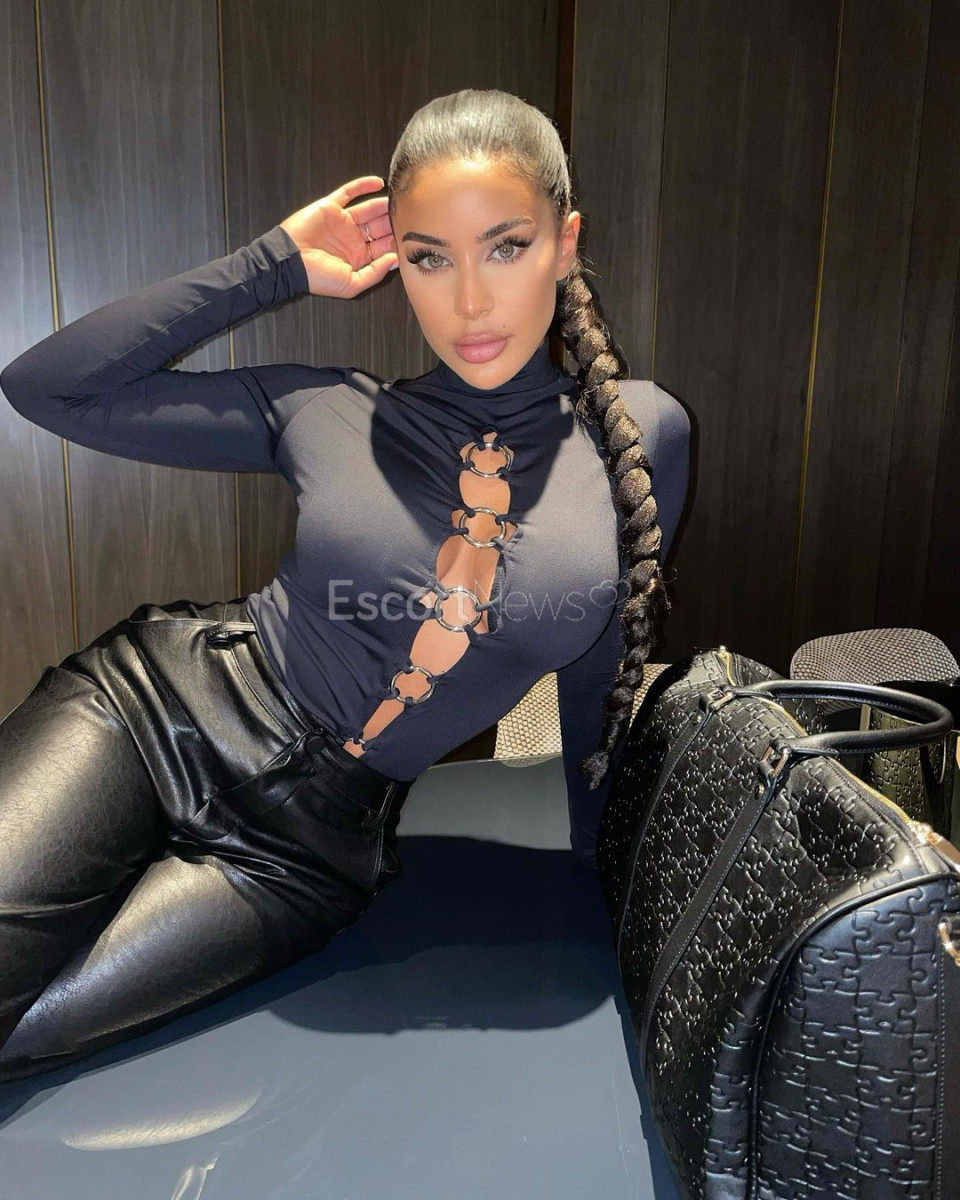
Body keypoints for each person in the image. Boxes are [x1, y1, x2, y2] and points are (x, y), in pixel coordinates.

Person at [0, 89, 689, 1082]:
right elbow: (47, 387)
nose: (470, 301)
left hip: (309, 854)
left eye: (505, 246)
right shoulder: (324, 409)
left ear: (564, 243)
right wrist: (273, 266)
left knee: (30, 1039)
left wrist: (594, 858)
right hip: (153, 716)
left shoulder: (643, 434)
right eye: (429, 257)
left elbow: (604, 668)